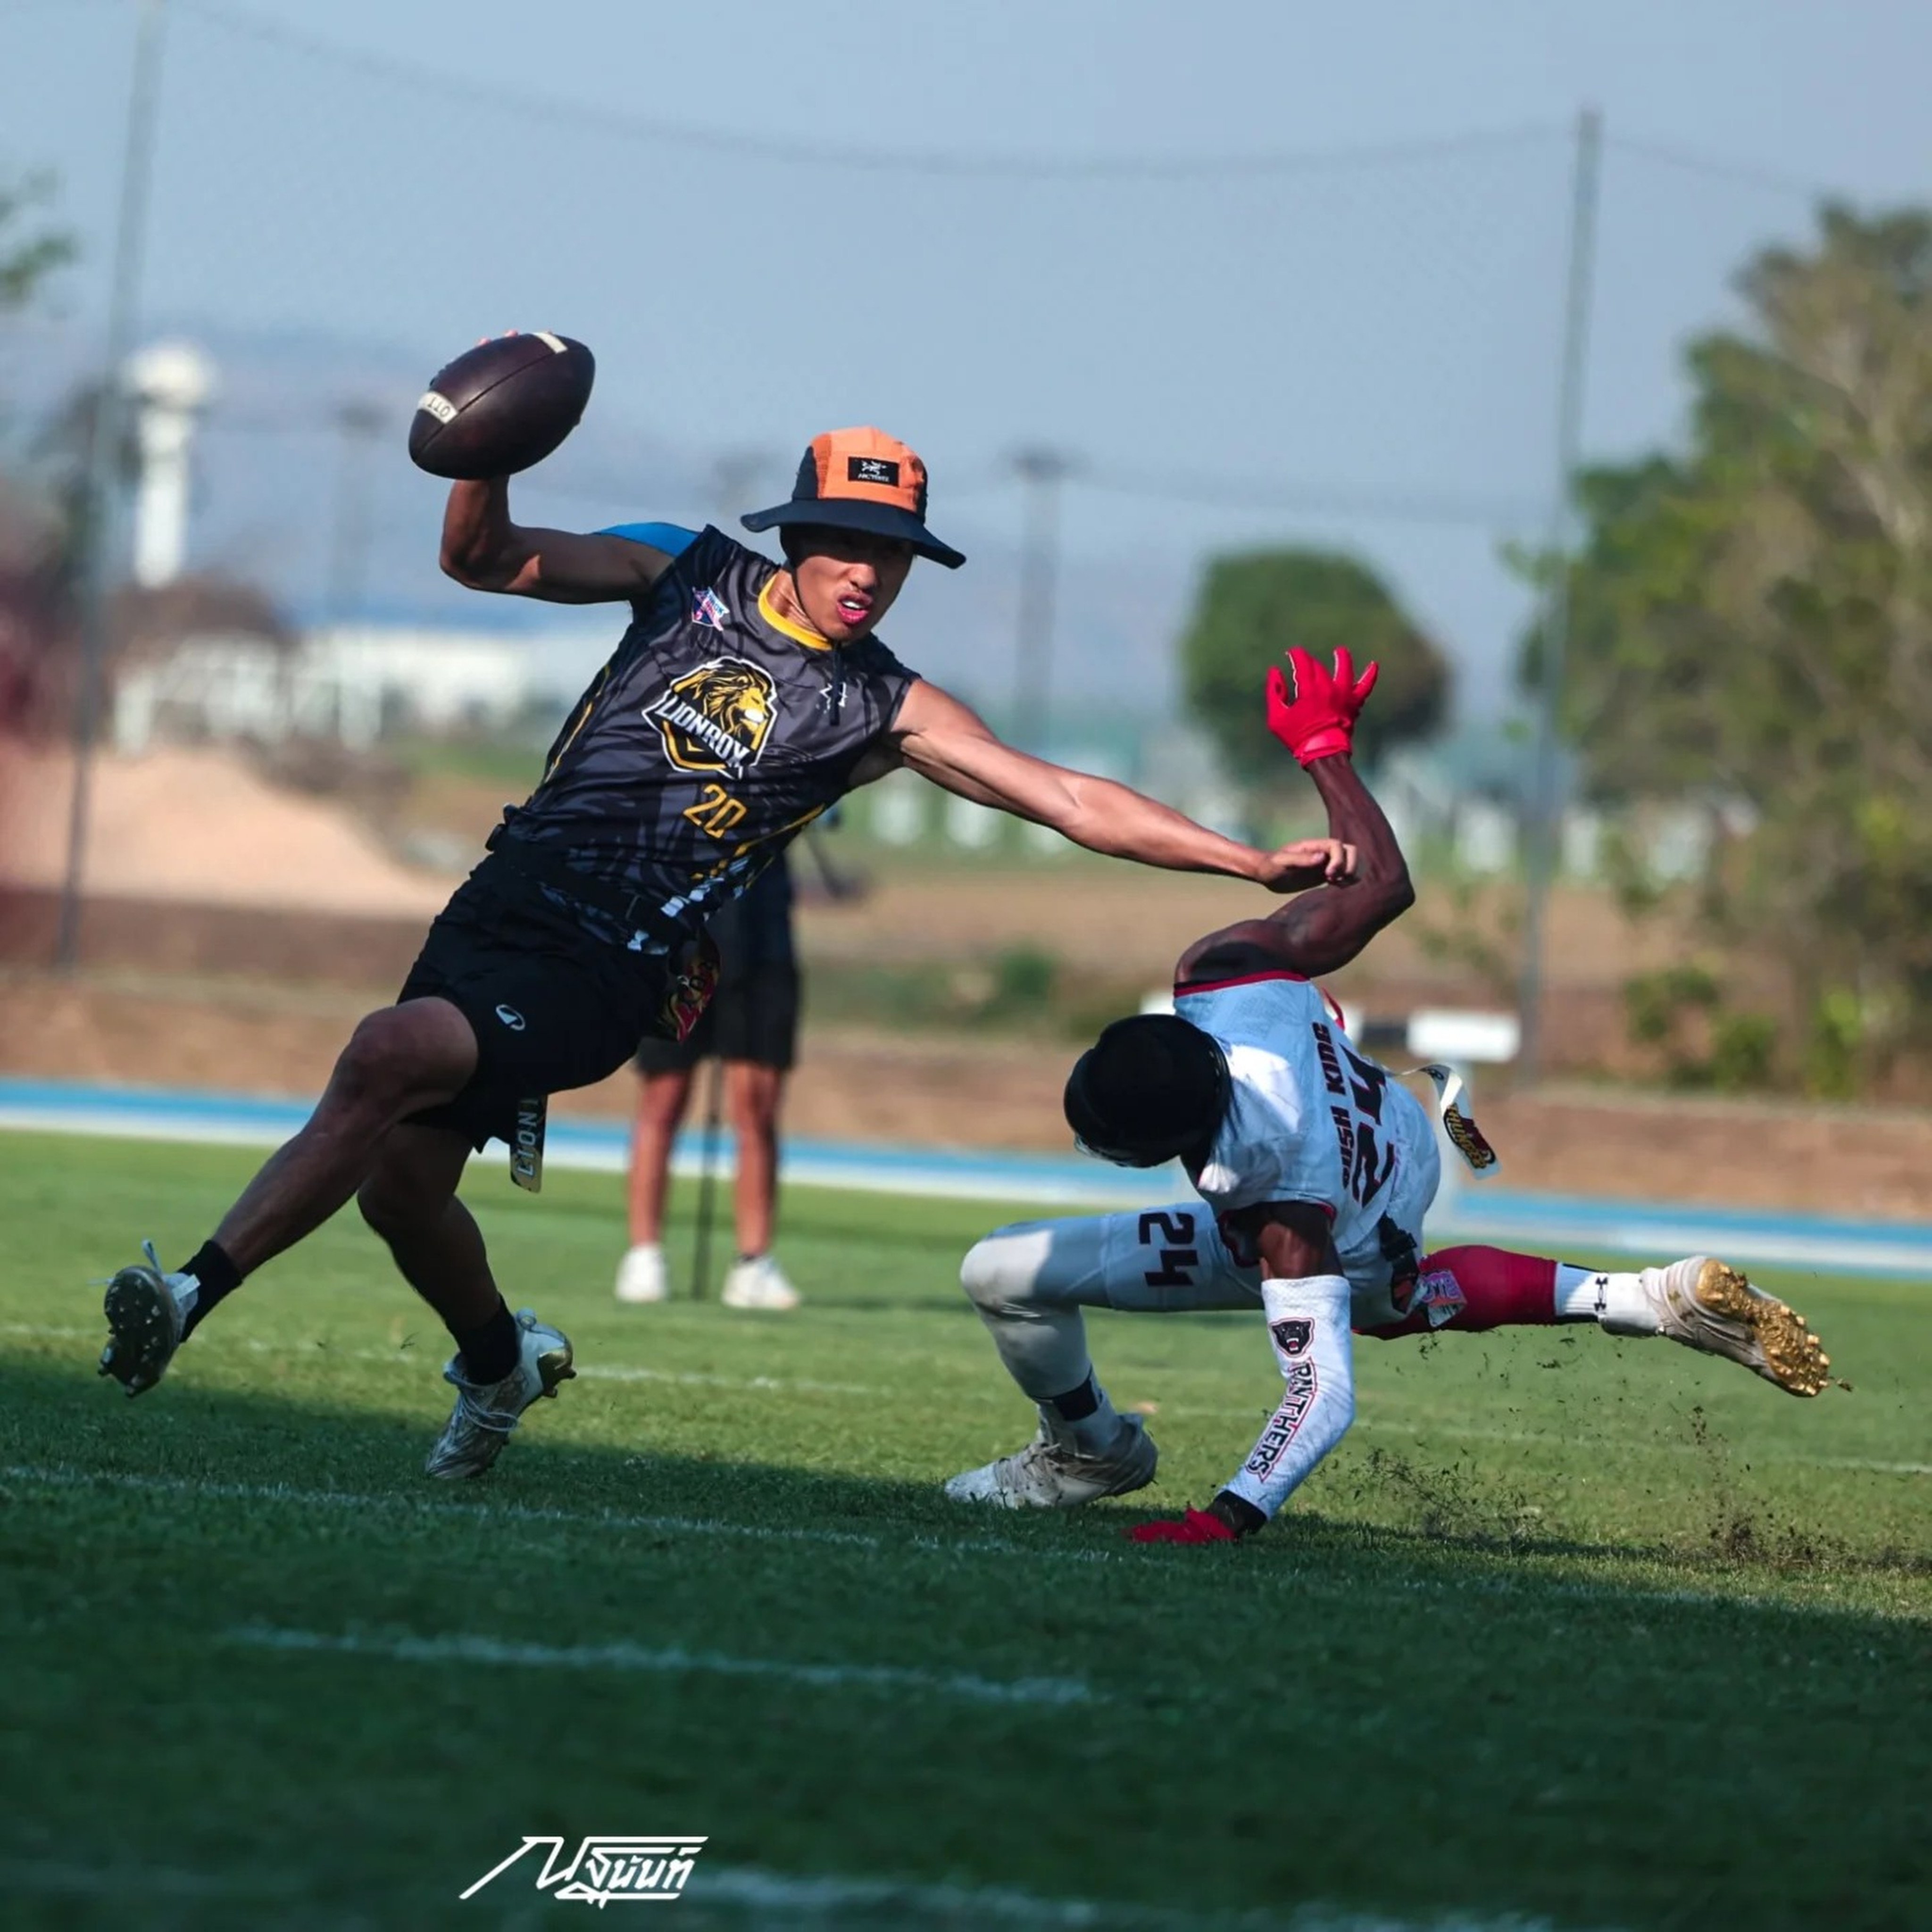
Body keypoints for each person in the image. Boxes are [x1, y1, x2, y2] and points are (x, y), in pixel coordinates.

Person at [94, 423, 1352, 1484]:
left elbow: (1070, 799)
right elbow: (486, 557)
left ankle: (190, 1297)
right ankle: (499, 1365)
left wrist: (1246, 860)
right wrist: (480, 452)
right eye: (851, 543)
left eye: (898, 556)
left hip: (614, 968)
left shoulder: (882, 708)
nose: (871, 574)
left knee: (385, 1054)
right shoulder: (683, 569)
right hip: (500, 905)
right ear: (797, 536)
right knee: (402, 1192)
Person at [945, 646, 1832, 1542]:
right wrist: (1326, 750)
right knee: (1384, 1286)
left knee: (1008, 1272)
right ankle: (1636, 1298)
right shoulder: (1223, 976)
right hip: (1388, 1134)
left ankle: (1091, 1452)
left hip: (1351, 1208)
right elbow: (1383, 885)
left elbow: (1323, 1397)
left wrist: (1229, 1517)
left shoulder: (1277, 1214)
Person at [617, 851, 803, 1311]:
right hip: (678, 936)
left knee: (756, 1108)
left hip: (762, 942)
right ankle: (644, 1255)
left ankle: (753, 1263)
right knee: (663, 1098)